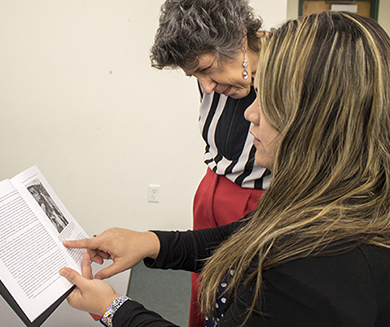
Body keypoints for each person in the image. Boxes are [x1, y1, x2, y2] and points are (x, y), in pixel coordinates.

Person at [60, 11, 390, 326]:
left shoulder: (309, 270)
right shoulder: (318, 203)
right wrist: (151, 243)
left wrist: (112, 308)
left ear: (315, 118)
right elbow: (239, 237)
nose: (250, 114)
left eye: (269, 98)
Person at [150, 1, 271, 325]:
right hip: (212, 186)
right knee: (205, 286)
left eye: (205, 69)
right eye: (195, 76)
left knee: (245, 297)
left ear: (237, 38)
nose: (206, 87)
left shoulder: (290, 66)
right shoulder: (217, 75)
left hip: (261, 198)